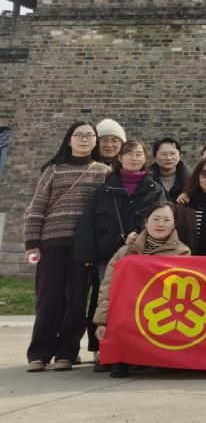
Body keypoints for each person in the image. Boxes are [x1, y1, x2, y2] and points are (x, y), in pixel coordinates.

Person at [24, 121, 109, 373]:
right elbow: (37, 206)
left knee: (77, 300)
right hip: (51, 243)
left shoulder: (103, 172)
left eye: (89, 135)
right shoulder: (53, 170)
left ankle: (67, 353)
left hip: (83, 246)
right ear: (69, 140)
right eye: (78, 135)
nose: (84, 139)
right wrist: (32, 243)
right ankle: (39, 353)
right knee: (49, 299)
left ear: (95, 141)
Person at [74, 139, 165, 371]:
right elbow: (88, 222)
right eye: (129, 154)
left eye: (139, 154)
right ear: (120, 158)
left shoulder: (154, 189)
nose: (134, 158)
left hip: (141, 256)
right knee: (104, 301)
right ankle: (101, 349)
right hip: (106, 255)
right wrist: (87, 254)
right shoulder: (104, 189)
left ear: (146, 159)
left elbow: (163, 217)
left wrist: (139, 233)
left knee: (136, 302)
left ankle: (133, 351)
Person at [93, 201, 191, 378]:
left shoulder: (182, 253)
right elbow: (108, 286)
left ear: (174, 224)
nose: (160, 224)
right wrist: (102, 322)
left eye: (166, 220)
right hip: (129, 308)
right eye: (156, 219)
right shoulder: (125, 252)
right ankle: (121, 358)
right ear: (146, 221)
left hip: (160, 309)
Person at [150, 137, 188, 202]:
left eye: (173, 153)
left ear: (180, 156)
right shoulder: (146, 180)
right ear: (154, 157)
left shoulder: (192, 179)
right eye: (163, 154)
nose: (168, 158)